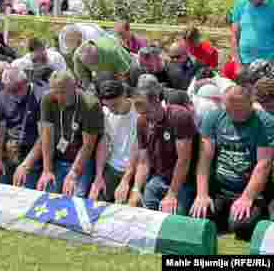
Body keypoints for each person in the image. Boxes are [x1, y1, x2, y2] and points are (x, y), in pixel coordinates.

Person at [192, 83, 274, 240]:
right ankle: (225, 216)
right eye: (229, 110)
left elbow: (263, 164)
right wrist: (202, 194)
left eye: (239, 110)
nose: (234, 114)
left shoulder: (266, 122)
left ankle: (256, 213)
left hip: (251, 192)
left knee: (241, 227)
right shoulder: (213, 117)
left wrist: (247, 197)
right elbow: (205, 158)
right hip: (220, 190)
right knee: (198, 218)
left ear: (251, 104)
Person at [130, 75, 197, 214]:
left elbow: (183, 160)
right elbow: (143, 161)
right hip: (158, 179)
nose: (145, 117)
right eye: (141, 113)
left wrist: (172, 194)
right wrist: (136, 189)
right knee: (140, 213)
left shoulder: (179, 116)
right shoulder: (142, 122)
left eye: (147, 111)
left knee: (174, 219)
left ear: (156, 100)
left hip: (184, 182)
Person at [33, 70, 103, 197]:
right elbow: (46, 135)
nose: (59, 97)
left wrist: (73, 174)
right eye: (55, 91)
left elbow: (88, 145)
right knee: (46, 191)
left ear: (74, 86)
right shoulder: (48, 99)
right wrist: (47, 170)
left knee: (75, 196)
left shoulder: (90, 104)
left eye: (63, 92)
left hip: (82, 161)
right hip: (59, 159)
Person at [90, 78, 138, 203]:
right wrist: (99, 175)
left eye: (115, 105)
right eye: (107, 105)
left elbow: (139, 152)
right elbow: (104, 144)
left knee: (126, 206)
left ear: (124, 95)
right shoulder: (106, 113)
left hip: (135, 169)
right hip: (112, 167)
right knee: (94, 200)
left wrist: (126, 180)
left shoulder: (139, 113)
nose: (111, 109)